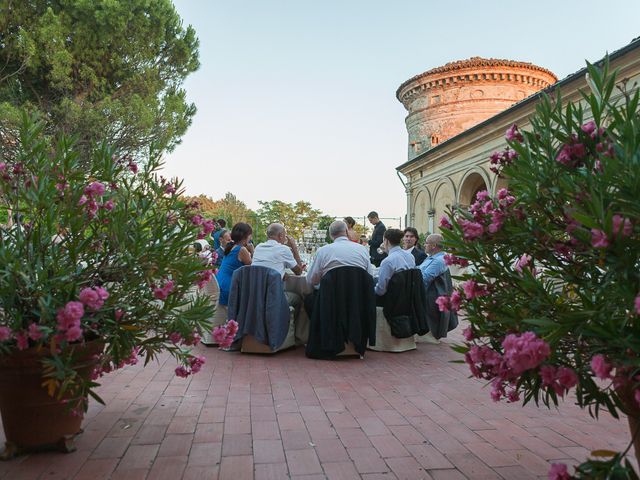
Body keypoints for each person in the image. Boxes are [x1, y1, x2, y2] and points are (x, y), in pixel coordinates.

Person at [252, 223, 304, 313]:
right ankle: (289, 324)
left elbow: (266, 266)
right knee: (299, 298)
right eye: (285, 235)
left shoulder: (258, 247)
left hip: (256, 295)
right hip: (273, 296)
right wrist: (294, 248)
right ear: (280, 236)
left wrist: (281, 273)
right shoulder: (283, 249)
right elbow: (299, 271)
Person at [306, 220, 373, 288]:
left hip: (330, 297)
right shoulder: (362, 249)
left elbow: (311, 280)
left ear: (330, 235)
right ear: (347, 231)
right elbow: (370, 276)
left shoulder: (322, 251)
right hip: (358, 296)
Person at [374, 229, 415, 303]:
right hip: (408, 299)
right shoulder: (410, 256)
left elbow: (381, 291)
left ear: (386, 241)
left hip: (393, 301)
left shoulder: (387, 261)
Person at [216, 222, 252, 306]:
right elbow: (252, 269)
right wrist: (252, 251)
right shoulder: (241, 249)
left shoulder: (231, 246)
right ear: (245, 236)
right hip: (229, 288)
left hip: (220, 283)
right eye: (250, 235)